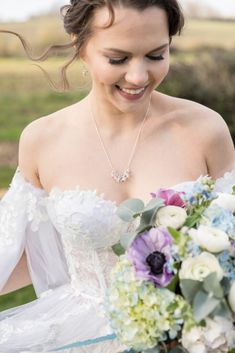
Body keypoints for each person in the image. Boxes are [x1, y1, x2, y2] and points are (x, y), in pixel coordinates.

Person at [0, 0, 234, 352]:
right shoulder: (42, 139)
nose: (138, 77)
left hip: (190, 335)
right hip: (80, 335)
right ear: (81, 46)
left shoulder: (205, 130)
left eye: (156, 55)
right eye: (118, 59)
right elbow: (20, 251)